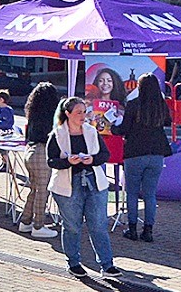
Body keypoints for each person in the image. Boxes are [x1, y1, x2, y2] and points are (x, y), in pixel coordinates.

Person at [47, 97, 121, 278]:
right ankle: (73, 262)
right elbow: (51, 161)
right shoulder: (57, 134)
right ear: (67, 114)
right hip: (68, 185)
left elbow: (105, 154)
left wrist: (92, 159)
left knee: (98, 224)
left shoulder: (91, 131)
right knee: (72, 225)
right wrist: (67, 162)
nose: (83, 116)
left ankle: (107, 264)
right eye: (78, 112)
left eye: (84, 112)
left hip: (94, 182)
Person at [120, 72, 172, 243]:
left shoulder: (134, 105)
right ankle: (148, 230)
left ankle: (132, 228)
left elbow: (123, 129)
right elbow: (167, 122)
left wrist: (113, 127)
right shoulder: (161, 106)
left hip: (135, 152)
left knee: (132, 193)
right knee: (150, 194)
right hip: (157, 153)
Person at [18, 82, 60, 239]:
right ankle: (38, 225)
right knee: (43, 191)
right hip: (42, 152)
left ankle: (25, 221)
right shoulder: (51, 116)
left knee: (35, 189)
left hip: (30, 151)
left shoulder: (33, 113)